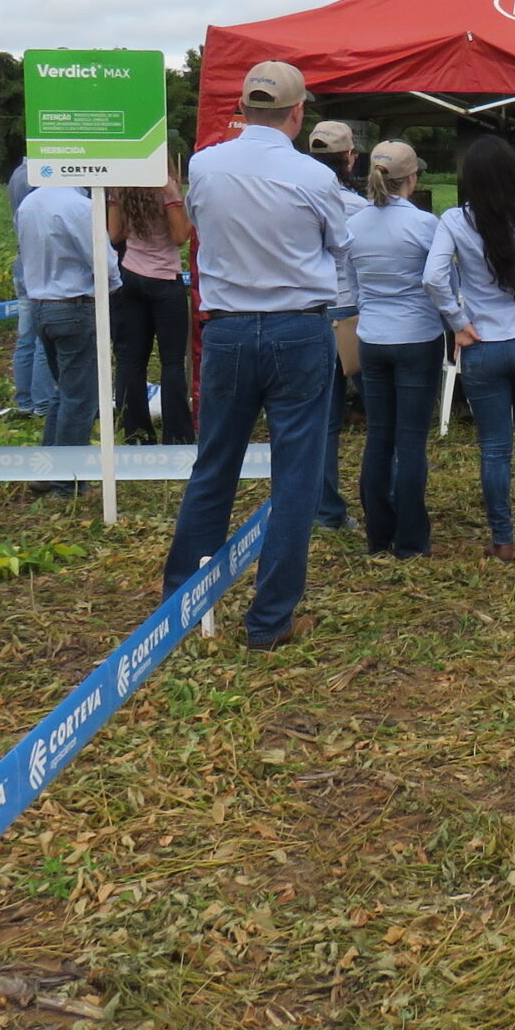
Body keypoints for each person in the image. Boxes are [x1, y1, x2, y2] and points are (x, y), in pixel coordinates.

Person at [162, 61, 353, 649]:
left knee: (214, 465)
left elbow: (197, 227)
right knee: (295, 478)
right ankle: (270, 620)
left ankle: (180, 608)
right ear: (297, 114)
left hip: (227, 331)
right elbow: (339, 246)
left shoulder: (205, 165)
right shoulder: (313, 178)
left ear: (243, 108)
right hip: (299, 331)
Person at [425, 136, 515, 561]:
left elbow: (434, 278)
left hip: (483, 344)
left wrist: (458, 323)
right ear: (512, 175)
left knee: (494, 447)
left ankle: (502, 540)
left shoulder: (454, 220)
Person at [346, 139, 444, 558]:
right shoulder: (425, 225)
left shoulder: (354, 222)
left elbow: (350, 282)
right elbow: (441, 282)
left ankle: (377, 533)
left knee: (378, 439)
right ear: (412, 177)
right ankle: (411, 539)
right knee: (410, 442)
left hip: (372, 337)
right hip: (418, 337)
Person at [14, 177, 99, 492]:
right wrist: (113, 287)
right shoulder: (79, 206)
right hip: (73, 306)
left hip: (40, 305)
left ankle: (48, 469)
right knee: (80, 397)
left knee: (63, 391)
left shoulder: (30, 202)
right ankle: (68, 480)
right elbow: (100, 260)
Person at [307, 120, 369, 532]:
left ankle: (326, 510)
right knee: (384, 415)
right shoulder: (361, 210)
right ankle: (386, 502)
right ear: (351, 158)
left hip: (312, 314)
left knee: (322, 422)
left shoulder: (294, 198)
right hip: (355, 317)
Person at [108, 170, 195, 444]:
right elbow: (181, 236)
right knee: (171, 362)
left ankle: (135, 432)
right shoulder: (166, 187)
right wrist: (176, 201)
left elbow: (115, 235)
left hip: (130, 275)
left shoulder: (122, 186)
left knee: (130, 361)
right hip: (165, 280)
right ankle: (177, 435)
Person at [6, 158, 56, 418]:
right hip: (43, 264)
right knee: (42, 339)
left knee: (26, 336)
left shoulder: (18, 173)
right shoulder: (42, 175)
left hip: (22, 260)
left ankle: (24, 400)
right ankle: (43, 402)